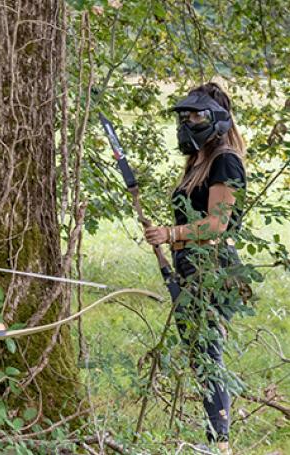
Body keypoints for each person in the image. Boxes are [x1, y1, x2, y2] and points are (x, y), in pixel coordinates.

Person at [144, 82, 247, 454]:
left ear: (216, 118)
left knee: (208, 353)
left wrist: (170, 233)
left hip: (213, 267)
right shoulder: (199, 160)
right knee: (198, 353)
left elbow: (218, 224)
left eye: (195, 115)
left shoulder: (225, 159)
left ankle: (219, 442)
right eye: (185, 116)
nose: (188, 122)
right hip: (190, 264)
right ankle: (213, 437)